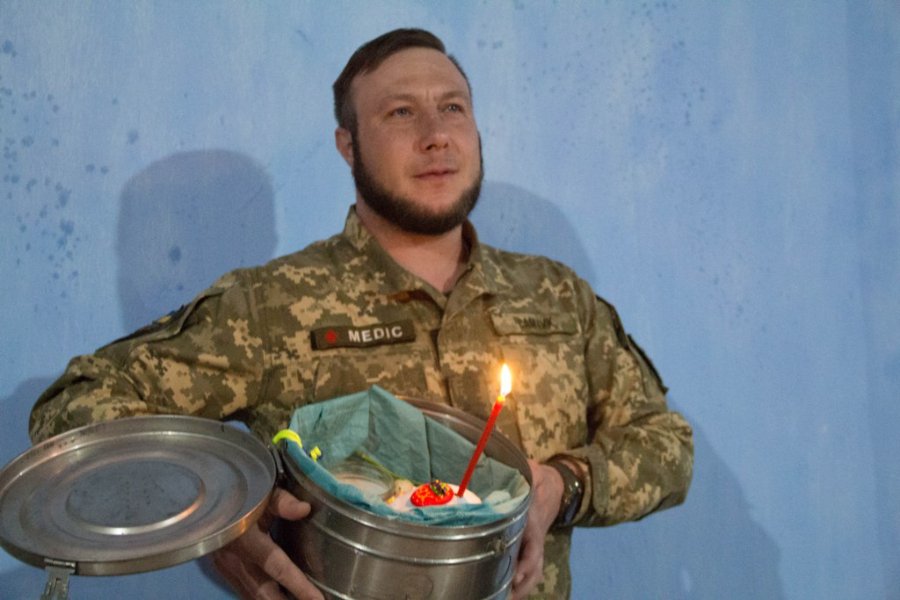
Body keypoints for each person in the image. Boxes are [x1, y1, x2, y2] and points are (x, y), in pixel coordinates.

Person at [29, 28, 693, 599]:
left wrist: (563, 485)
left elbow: (666, 445)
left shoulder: (556, 296)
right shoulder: (272, 307)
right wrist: (223, 522)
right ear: (348, 145)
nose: (436, 136)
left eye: (453, 108)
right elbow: (76, 407)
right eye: (401, 113)